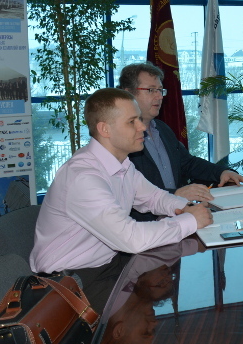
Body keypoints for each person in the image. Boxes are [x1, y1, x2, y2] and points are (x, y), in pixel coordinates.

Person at [30, 88, 213, 296]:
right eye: (132, 121)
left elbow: (154, 197)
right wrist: (190, 221)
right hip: (70, 282)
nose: (142, 127)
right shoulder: (83, 178)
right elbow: (131, 238)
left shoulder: (122, 164)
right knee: (156, 305)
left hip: (107, 263)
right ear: (105, 129)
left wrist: (185, 208)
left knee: (177, 287)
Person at [119, 62, 243, 221]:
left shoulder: (162, 129)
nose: (159, 96)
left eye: (160, 90)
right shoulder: (120, 141)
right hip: (148, 225)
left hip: (181, 215)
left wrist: (221, 172)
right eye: (151, 90)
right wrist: (176, 195)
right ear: (128, 94)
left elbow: (187, 163)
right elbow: (128, 195)